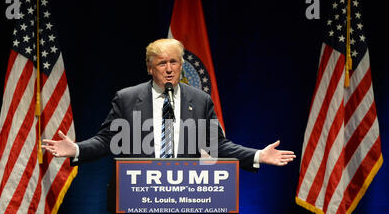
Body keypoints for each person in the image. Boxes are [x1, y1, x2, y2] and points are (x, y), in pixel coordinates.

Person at [42, 38, 295, 168]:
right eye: (162, 63)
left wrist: (259, 155)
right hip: (138, 198)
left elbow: (217, 146)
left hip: (186, 199)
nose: (169, 69)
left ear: (181, 66)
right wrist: (75, 149)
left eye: (174, 62)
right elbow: (107, 140)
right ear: (150, 68)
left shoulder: (200, 100)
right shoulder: (127, 99)